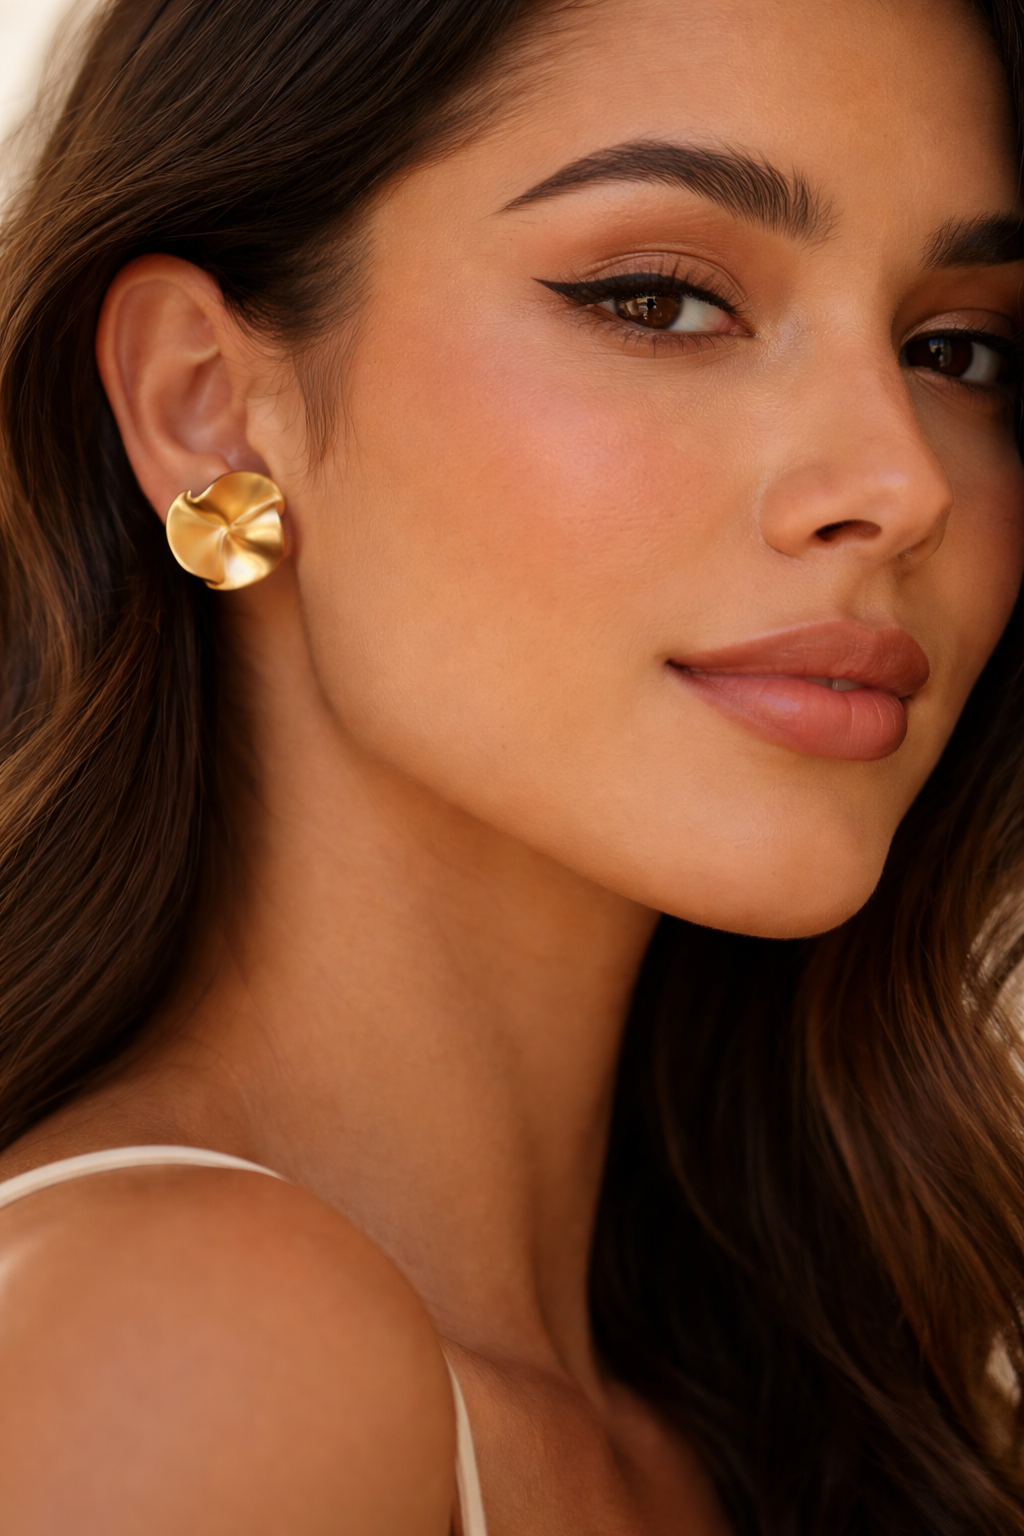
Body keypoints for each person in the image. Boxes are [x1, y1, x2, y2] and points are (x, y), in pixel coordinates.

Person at [0, 0, 1022, 1529]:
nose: (902, 480)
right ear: (206, 406)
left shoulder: (781, 1395)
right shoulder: (186, 1351)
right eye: (662, 302)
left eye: (958, 350)